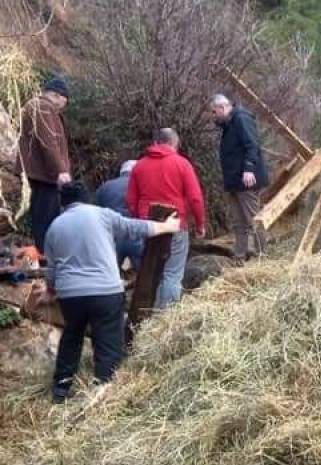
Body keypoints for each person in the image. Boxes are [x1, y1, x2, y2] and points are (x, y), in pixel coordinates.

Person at [43, 181, 179, 403]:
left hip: (71, 295)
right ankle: (103, 391)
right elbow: (136, 227)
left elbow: (52, 268)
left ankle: (61, 390)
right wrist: (167, 227)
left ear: (63, 204)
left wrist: (50, 291)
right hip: (106, 290)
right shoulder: (102, 215)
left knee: (72, 337)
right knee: (107, 340)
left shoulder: (55, 226)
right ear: (87, 198)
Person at [126, 128, 206, 308]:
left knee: (152, 270)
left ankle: (146, 313)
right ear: (174, 143)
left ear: (156, 142)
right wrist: (200, 224)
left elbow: (131, 200)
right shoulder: (182, 164)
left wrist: (139, 221)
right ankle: (165, 320)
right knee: (172, 273)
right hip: (175, 224)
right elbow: (195, 197)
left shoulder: (139, 166)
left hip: (148, 225)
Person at [210, 94, 268, 260]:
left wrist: (249, 168)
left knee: (253, 219)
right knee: (238, 222)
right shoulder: (229, 124)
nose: (213, 116)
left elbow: (252, 145)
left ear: (222, 107)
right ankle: (240, 255)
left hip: (246, 180)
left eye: (214, 112)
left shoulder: (241, 118)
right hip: (234, 182)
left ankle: (262, 255)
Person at [18, 75, 72, 253]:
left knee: (43, 213)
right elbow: (48, 141)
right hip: (43, 174)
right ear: (58, 96)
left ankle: (42, 250)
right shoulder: (42, 107)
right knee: (46, 214)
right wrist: (60, 169)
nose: (64, 106)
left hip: (41, 172)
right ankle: (44, 252)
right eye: (65, 100)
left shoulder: (37, 106)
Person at [96, 159, 142, 269]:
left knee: (110, 273)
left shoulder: (105, 187)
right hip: (136, 236)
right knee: (144, 276)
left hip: (112, 238)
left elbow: (96, 211)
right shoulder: (141, 186)